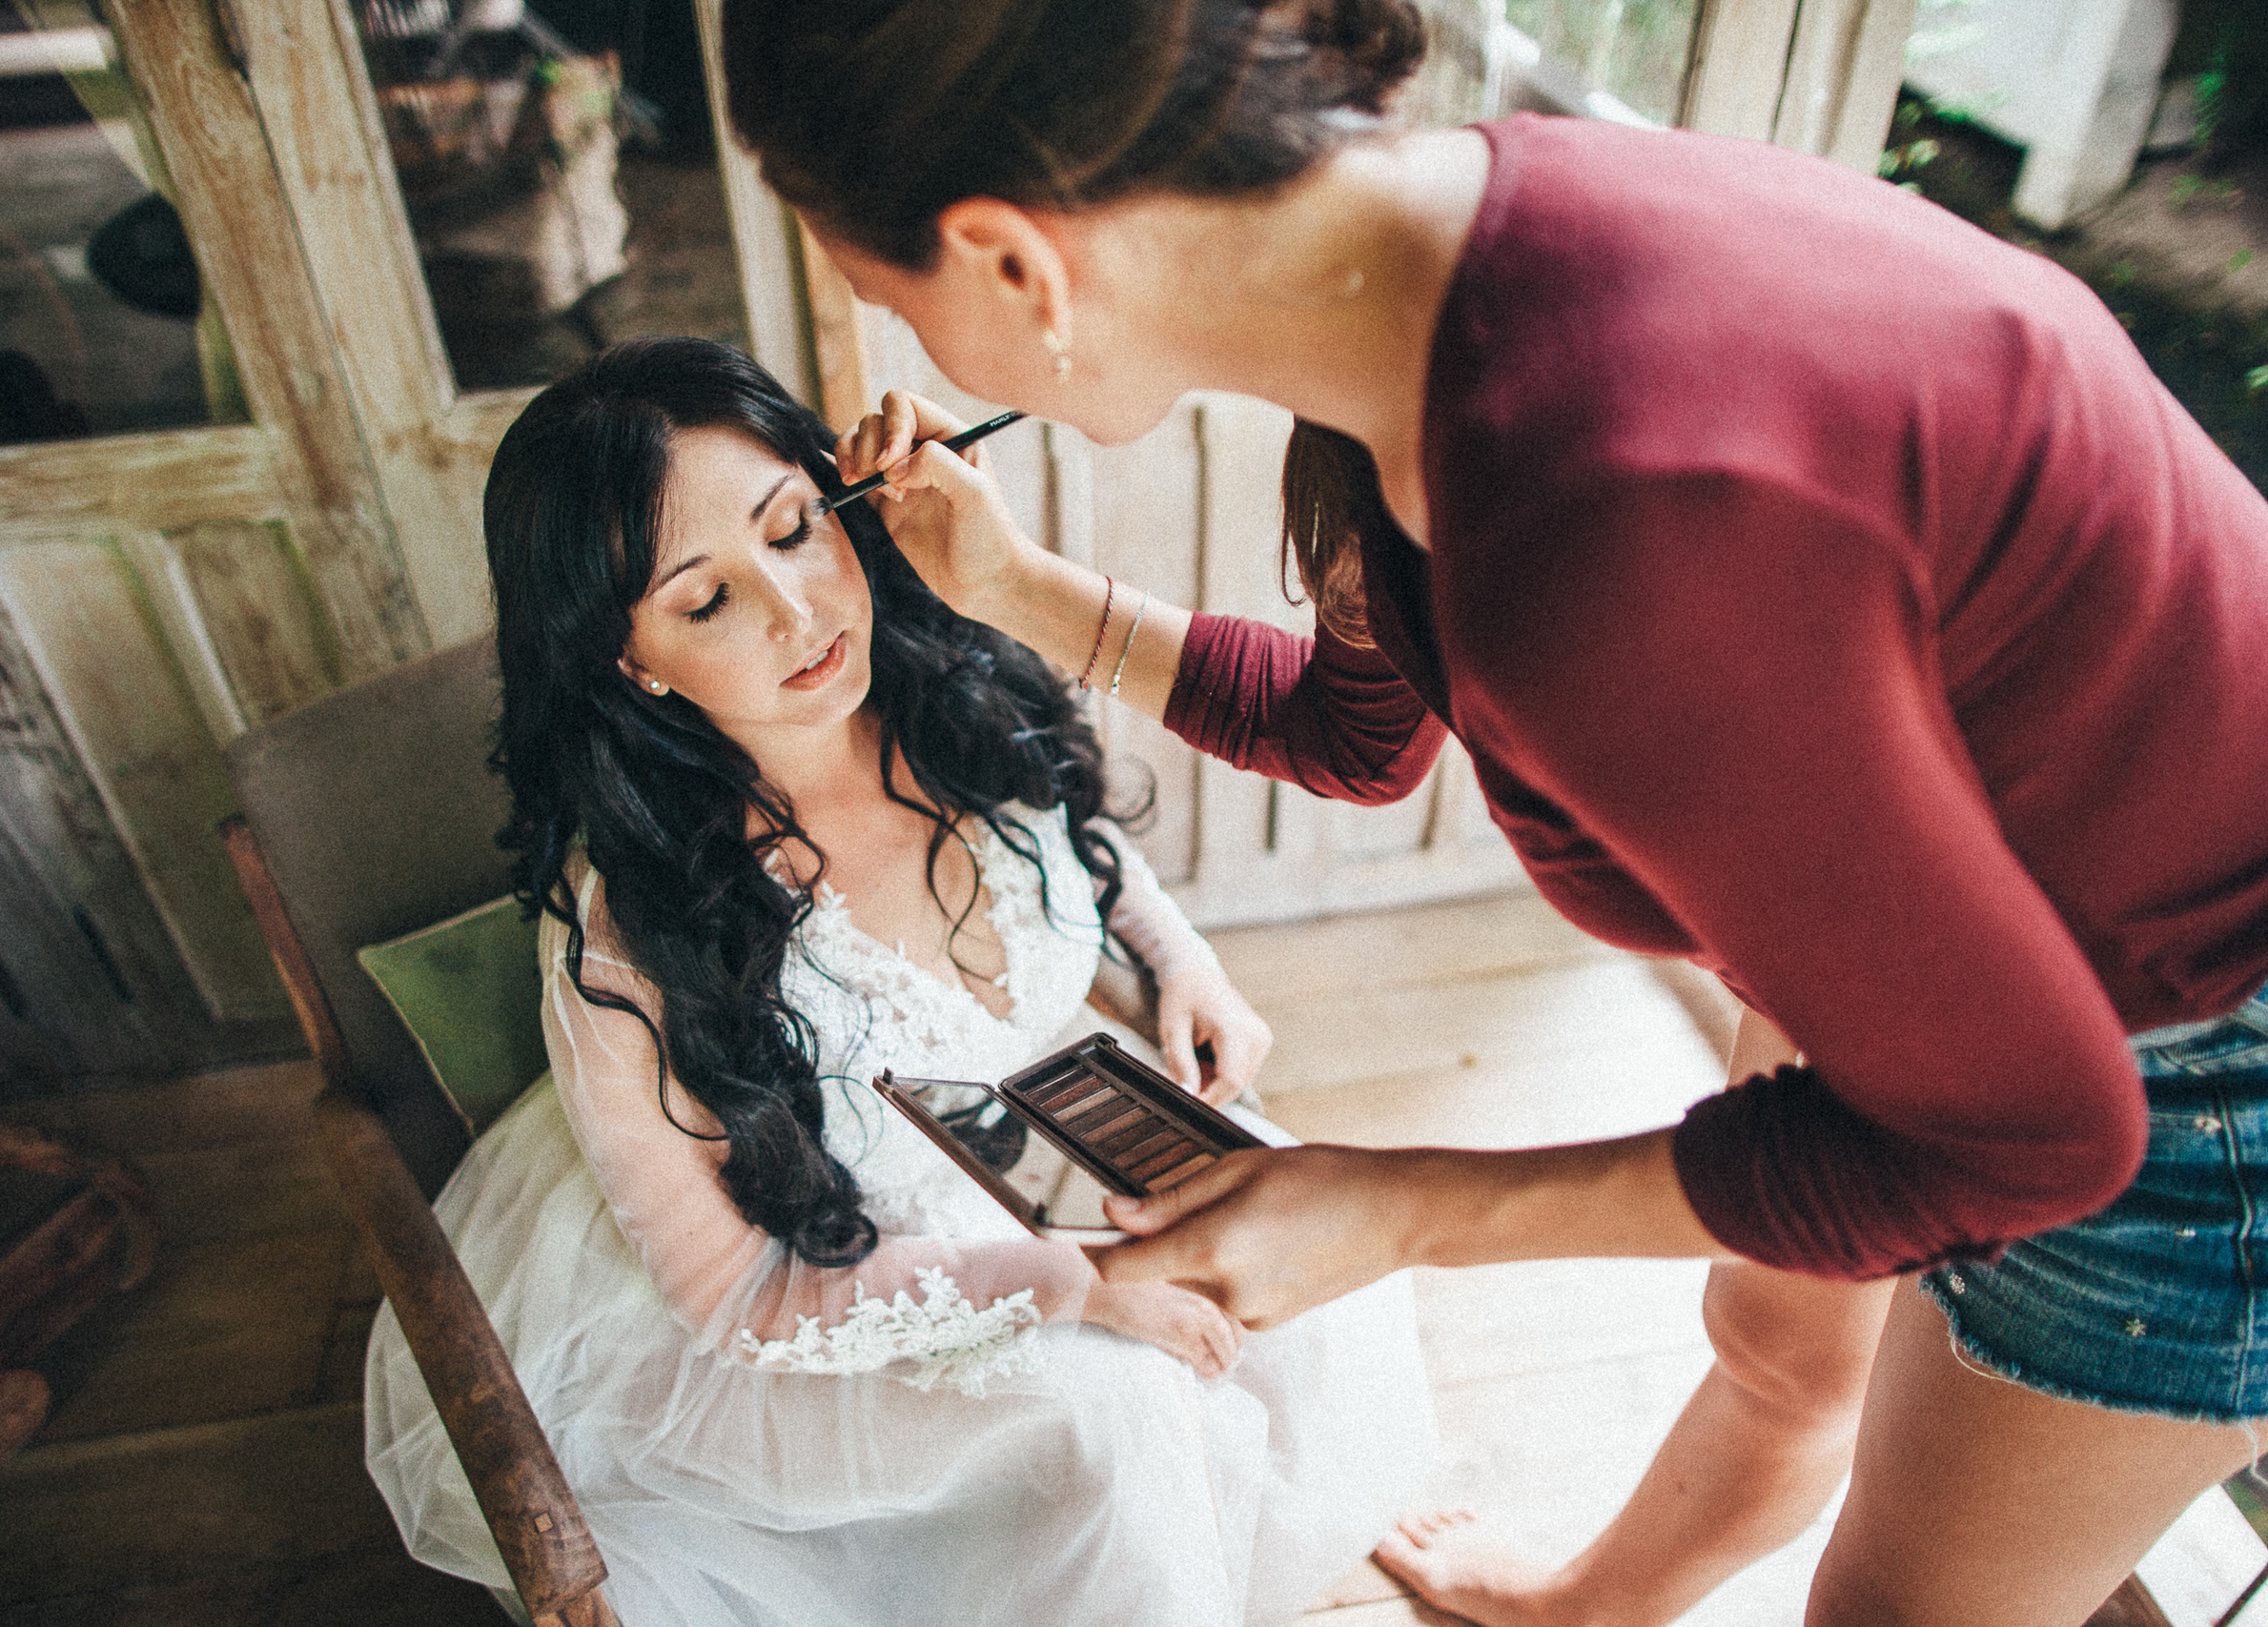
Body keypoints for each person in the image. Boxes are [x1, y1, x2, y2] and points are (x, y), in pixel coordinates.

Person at [715, 4, 2268, 1624]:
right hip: (1943, 929)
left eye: (893, 305)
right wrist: (1017, 588)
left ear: (1011, 264)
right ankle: (1590, 1608)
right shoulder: (1431, 293)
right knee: (1785, 1342)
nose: (917, 360)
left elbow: (2028, 1132)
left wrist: (1409, 1208)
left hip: (2190, 1051)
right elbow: (1357, 727)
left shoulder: (1617, 521)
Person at [358, 336, 1434, 1627]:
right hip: (833, 1273)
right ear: (628, 658)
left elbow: (1080, 844)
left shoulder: (956, 688)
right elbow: (740, 1301)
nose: (800, 613)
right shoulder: (634, 939)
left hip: (1050, 1133)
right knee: (1119, 1415)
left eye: (797, 529)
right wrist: (1076, 1287)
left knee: (1311, 1264)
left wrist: (1178, 961)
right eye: (707, 601)